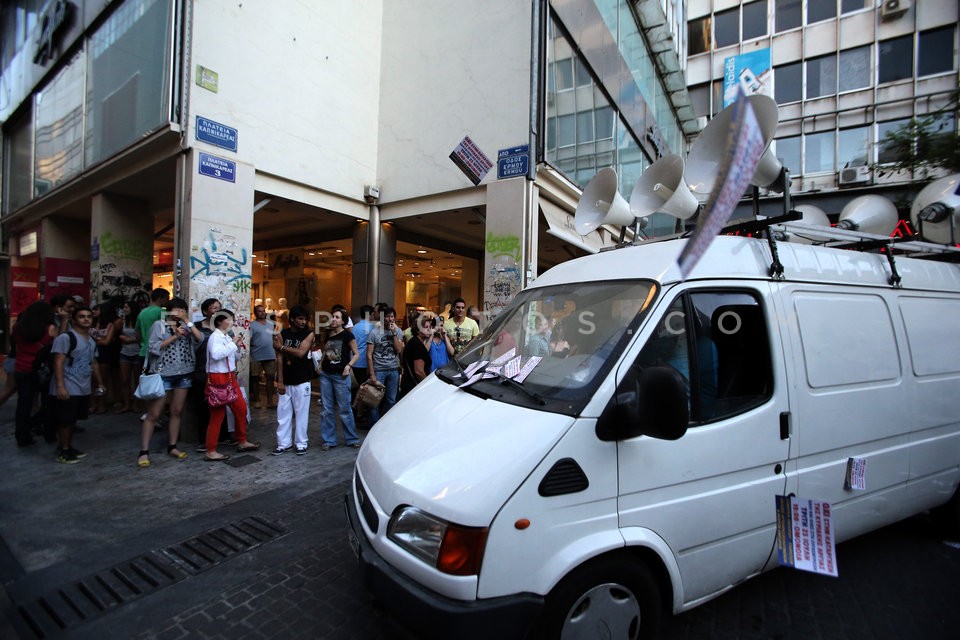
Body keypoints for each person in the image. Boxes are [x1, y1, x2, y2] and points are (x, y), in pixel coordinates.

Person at [137, 297, 200, 468]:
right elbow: (153, 347)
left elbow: (199, 339)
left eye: (182, 310)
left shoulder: (186, 326)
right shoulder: (160, 325)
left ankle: (172, 446)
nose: (179, 313)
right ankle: (144, 451)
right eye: (176, 309)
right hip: (162, 374)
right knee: (154, 414)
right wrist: (175, 336)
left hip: (184, 372)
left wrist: (187, 322)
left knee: (177, 410)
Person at [49, 306, 104, 464]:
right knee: (65, 420)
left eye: (88, 316)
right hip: (68, 384)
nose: (86, 319)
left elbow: (94, 363)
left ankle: (67, 446)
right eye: (81, 316)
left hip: (83, 385)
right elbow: (58, 361)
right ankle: (63, 450)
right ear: (74, 320)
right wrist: (60, 385)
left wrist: (100, 383)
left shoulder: (91, 340)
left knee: (72, 419)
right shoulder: (66, 337)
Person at [203, 309, 260, 461]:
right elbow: (216, 355)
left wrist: (237, 346)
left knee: (241, 409)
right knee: (217, 415)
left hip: (229, 377)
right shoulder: (215, 337)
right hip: (218, 378)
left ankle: (242, 440)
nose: (232, 322)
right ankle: (211, 450)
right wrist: (233, 344)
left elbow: (232, 355)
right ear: (220, 321)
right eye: (229, 319)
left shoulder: (226, 337)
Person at [12, 301, 57, 447]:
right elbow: (56, 344)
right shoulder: (49, 328)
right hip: (40, 370)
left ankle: (22, 436)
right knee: (47, 404)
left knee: (23, 405)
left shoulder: (18, 327)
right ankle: (47, 432)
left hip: (21, 368)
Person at [272, 305, 314, 455]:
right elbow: (279, 358)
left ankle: (301, 442)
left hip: (302, 379)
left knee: (301, 413)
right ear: (292, 319)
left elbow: (301, 352)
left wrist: (281, 347)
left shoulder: (309, 334)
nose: (303, 322)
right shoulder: (283, 333)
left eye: (304, 319)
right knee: (283, 414)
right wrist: (280, 381)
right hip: (287, 379)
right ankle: (283, 443)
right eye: (300, 319)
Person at [318, 307, 361, 450]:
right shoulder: (329, 335)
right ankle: (328, 440)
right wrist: (320, 363)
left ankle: (351, 438)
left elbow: (356, 354)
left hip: (340, 376)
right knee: (326, 409)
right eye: (333, 317)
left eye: (337, 317)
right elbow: (326, 351)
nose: (334, 319)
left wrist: (348, 366)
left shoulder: (348, 336)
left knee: (344, 408)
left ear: (343, 321)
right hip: (326, 374)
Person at [366, 306, 404, 427]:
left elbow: (398, 350)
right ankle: (374, 426)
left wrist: (393, 334)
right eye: (387, 316)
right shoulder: (374, 332)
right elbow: (369, 355)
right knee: (374, 400)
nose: (390, 319)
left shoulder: (398, 332)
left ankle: (385, 426)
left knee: (391, 400)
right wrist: (372, 374)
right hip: (379, 370)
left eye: (392, 316)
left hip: (393, 370)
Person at [89, 302, 120, 413]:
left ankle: (101, 403)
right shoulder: (90, 323)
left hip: (104, 353)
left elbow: (107, 342)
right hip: (91, 352)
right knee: (92, 380)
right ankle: (93, 404)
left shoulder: (109, 325)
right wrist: (99, 341)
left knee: (102, 379)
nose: (94, 312)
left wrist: (93, 341)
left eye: (96, 310)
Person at [248, 304, 278, 409]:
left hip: (270, 354)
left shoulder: (271, 324)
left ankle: (270, 401)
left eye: (263, 311)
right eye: (259, 311)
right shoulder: (252, 325)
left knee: (270, 377)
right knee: (255, 377)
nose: (262, 313)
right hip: (256, 355)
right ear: (255, 313)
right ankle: (257, 400)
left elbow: (274, 337)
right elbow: (249, 340)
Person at [116, 299, 142, 413]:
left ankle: (136, 404)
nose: (124, 309)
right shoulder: (122, 321)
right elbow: (118, 335)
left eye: (127, 307)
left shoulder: (139, 320)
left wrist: (129, 339)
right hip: (124, 353)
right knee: (124, 380)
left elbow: (141, 337)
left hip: (137, 352)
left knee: (137, 380)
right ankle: (127, 404)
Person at [400, 313, 433, 398]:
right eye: (426, 327)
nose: (429, 329)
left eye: (430, 327)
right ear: (418, 330)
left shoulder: (414, 341)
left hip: (408, 384)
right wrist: (426, 386)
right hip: (413, 386)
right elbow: (419, 372)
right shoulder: (417, 345)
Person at [135, 288, 170, 360]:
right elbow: (165, 332)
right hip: (157, 352)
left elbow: (138, 333)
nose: (168, 302)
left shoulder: (142, 312)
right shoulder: (162, 312)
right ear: (160, 299)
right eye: (167, 299)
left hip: (143, 351)